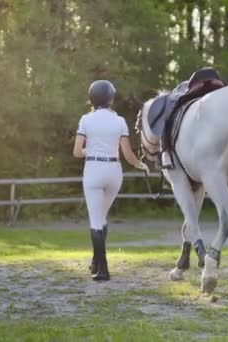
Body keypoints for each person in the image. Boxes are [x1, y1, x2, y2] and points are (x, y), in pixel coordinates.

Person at [73, 80, 149, 281]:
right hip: (114, 172)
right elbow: (128, 154)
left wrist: (91, 149)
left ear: (92, 99)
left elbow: (76, 152)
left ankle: (103, 268)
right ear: (111, 99)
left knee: (96, 221)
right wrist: (141, 165)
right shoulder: (120, 121)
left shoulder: (85, 120)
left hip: (94, 171)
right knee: (102, 215)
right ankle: (96, 261)